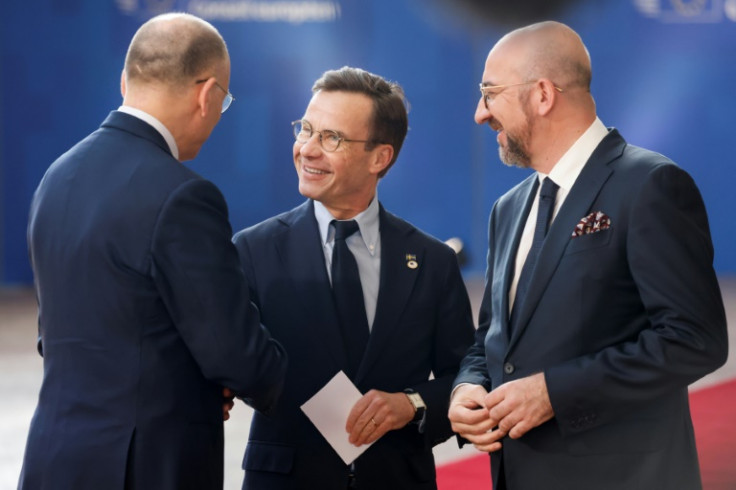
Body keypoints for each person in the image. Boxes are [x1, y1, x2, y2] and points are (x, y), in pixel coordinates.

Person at [448, 21, 728, 490]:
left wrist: (554, 393)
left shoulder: (650, 184)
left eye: (490, 93)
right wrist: (468, 386)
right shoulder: (509, 208)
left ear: (542, 95)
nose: (480, 113)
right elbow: (491, 337)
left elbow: (695, 339)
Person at [19, 13, 287, 490]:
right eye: (223, 102)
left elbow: (59, 334)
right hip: (143, 467)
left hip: (51, 459)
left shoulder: (56, 177)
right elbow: (234, 355)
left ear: (127, 81)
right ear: (207, 95)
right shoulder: (183, 195)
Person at [232, 66, 475, 489]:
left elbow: (468, 376)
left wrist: (412, 404)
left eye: (332, 138)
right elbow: (233, 364)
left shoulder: (432, 261)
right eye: (305, 130)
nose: (307, 149)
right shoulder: (253, 250)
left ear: (380, 157)